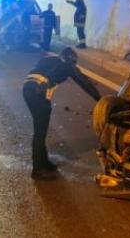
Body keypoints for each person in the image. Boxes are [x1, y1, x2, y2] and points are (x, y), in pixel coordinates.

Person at [22, 47, 100, 180]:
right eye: (73, 63)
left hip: (28, 89)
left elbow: (77, 73)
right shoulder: (66, 65)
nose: (73, 65)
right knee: (40, 133)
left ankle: (44, 163)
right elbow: (81, 80)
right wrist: (99, 99)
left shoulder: (50, 60)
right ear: (70, 60)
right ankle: (38, 169)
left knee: (40, 130)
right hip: (38, 92)